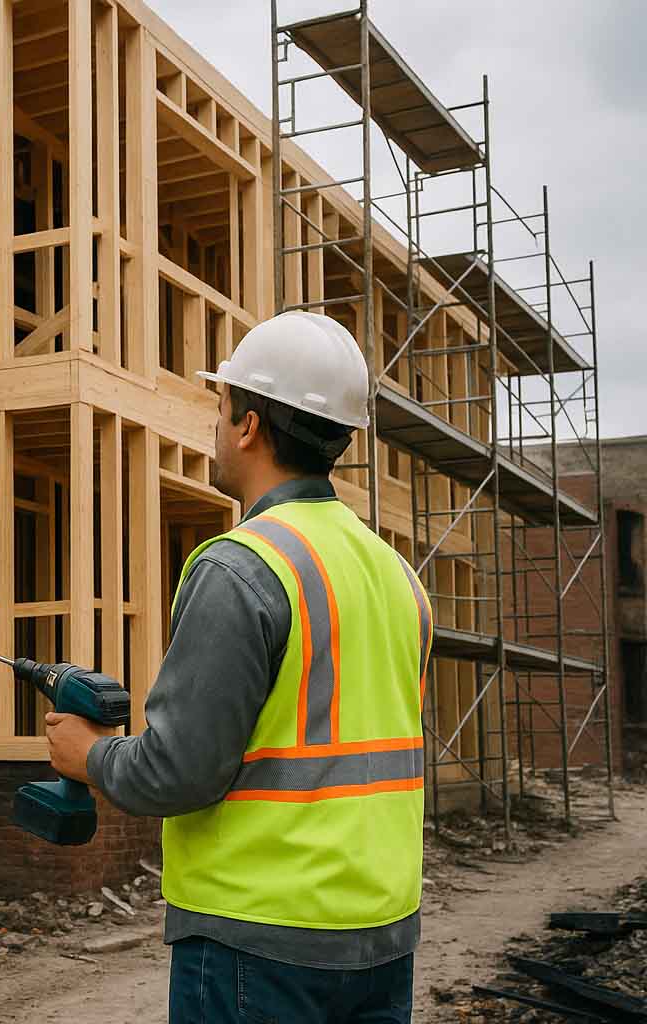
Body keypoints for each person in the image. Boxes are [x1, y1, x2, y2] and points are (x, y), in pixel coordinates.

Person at [45, 311, 433, 1024]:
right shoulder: (397, 574)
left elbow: (178, 772)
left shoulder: (243, 565)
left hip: (258, 943)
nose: (215, 428)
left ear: (249, 426)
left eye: (220, 408)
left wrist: (87, 755)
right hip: (382, 936)